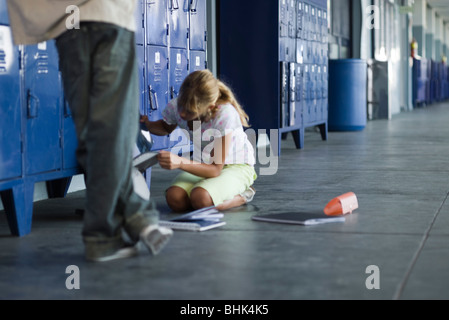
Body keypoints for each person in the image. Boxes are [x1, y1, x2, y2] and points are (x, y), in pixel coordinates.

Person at [6, 0, 173, 262]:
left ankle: (117, 230)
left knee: (93, 135)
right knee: (115, 132)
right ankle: (121, 225)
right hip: (107, 15)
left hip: (65, 25)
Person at [141, 69, 257, 212]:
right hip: (206, 164)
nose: (182, 114)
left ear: (210, 107)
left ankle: (244, 195)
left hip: (236, 166)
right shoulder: (177, 106)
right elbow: (165, 128)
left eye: (190, 111)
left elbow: (215, 170)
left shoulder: (224, 115)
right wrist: (147, 124)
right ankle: (212, 195)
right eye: (182, 106)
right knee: (174, 198)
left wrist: (180, 162)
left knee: (201, 199)